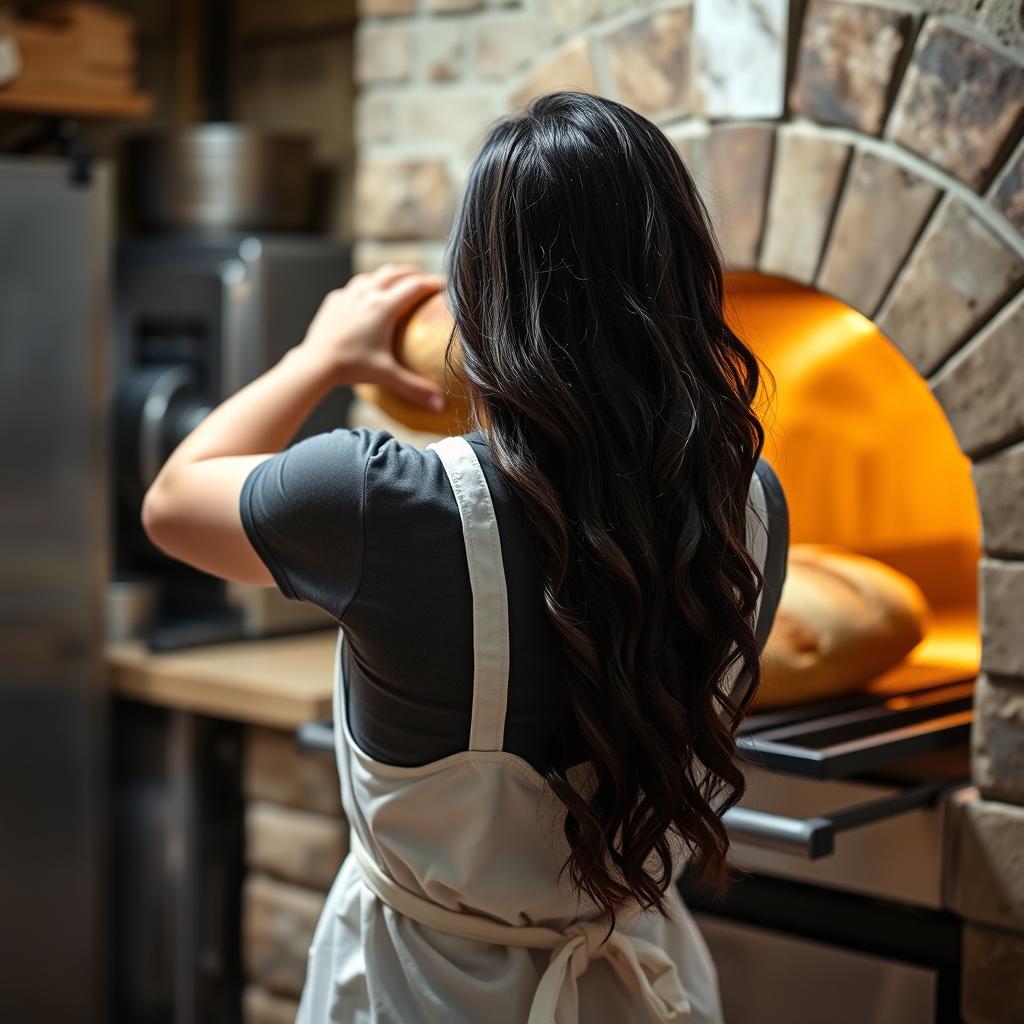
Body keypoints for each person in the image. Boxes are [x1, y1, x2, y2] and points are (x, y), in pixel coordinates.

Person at [142, 91, 788, 1024]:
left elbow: (173, 500)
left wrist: (319, 356)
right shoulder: (755, 510)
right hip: (640, 986)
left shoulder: (382, 502)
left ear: (478, 293)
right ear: (689, 277)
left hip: (425, 997)